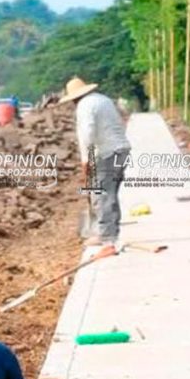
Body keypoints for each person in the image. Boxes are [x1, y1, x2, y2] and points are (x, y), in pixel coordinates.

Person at [59, 76, 131, 249]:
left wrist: (87, 162)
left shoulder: (84, 106)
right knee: (110, 193)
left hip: (106, 153)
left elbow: (87, 135)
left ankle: (106, 236)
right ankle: (110, 231)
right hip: (122, 150)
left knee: (101, 194)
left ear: (75, 98)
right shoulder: (103, 100)